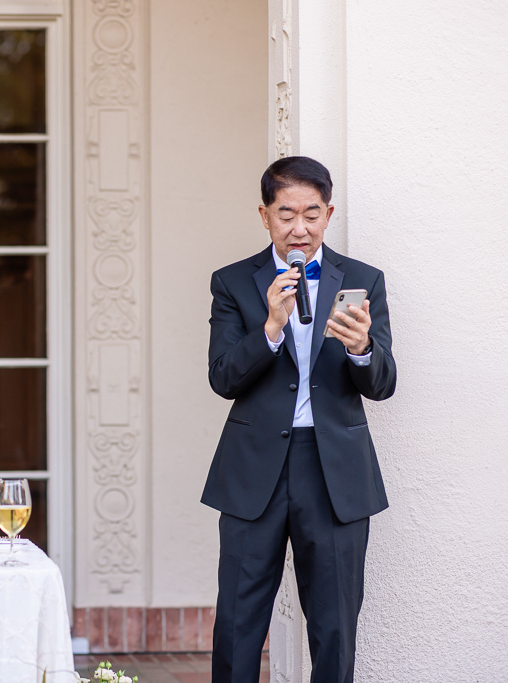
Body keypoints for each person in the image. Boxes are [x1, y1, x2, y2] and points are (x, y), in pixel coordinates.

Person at [202, 156, 396, 683]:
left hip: (335, 471)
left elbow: (382, 384)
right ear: (264, 215)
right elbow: (223, 378)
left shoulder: (362, 280)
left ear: (329, 214)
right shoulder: (233, 282)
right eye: (286, 213)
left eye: (312, 213)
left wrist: (361, 351)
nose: (299, 227)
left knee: (335, 627)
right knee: (239, 623)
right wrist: (269, 326)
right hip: (252, 470)